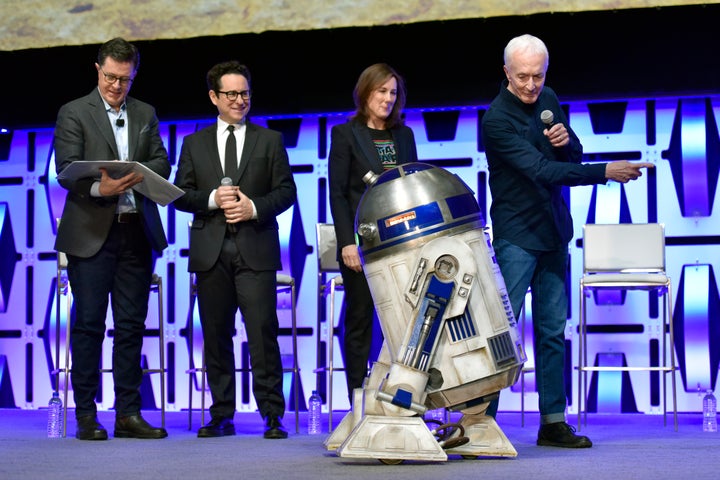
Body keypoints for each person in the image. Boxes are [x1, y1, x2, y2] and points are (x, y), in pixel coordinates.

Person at [481, 34, 654, 448]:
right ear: (506, 72)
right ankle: (479, 420)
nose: (530, 85)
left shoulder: (549, 97)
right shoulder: (496, 120)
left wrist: (569, 142)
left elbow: (568, 157)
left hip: (554, 231)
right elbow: (540, 170)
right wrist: (604, 172)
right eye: (522, 76)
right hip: (517, 236)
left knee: (552, 331)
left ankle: (553, 422)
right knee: (502, 331)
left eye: (538, 76)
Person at [53, 37, 170, 440]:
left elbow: (160, 160)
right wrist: (99, 188)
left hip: (136, 231)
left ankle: (128, 413)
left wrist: (138, 173)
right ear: (97, 68)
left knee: (131, 326)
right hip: (90, 233)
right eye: (110, 77)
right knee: (88, 325)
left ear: (133, 75)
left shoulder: (145, 113)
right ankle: (86, 414)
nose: (117, 86)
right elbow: (66, 166)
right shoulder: (74, 111)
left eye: (125, 79)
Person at [173, 60, 297, 439]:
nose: (240, 100)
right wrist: (211, 198)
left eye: (245, 93)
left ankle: (272, 414)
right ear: (214, 97)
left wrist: (253, 207)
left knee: (263, 332)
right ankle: (221, 414)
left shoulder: (269, 140)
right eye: (232, 94)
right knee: (215, 334)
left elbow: (286, 191)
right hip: (211, 251)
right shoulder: (194, 143)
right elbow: (180, 195)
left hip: (255, 247)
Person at [329, 63, 419, 403]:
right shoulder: (345, 134)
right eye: (381, 91)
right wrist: (346, 243)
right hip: (362, 245)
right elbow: (337, 194)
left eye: (393, 92)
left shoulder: (405, 135)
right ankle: (358, 397)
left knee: (405, 323)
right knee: (359, 320)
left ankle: (402, 395)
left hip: (403, 243)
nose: (387, 98)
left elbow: (413, 186)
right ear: (366, 93)